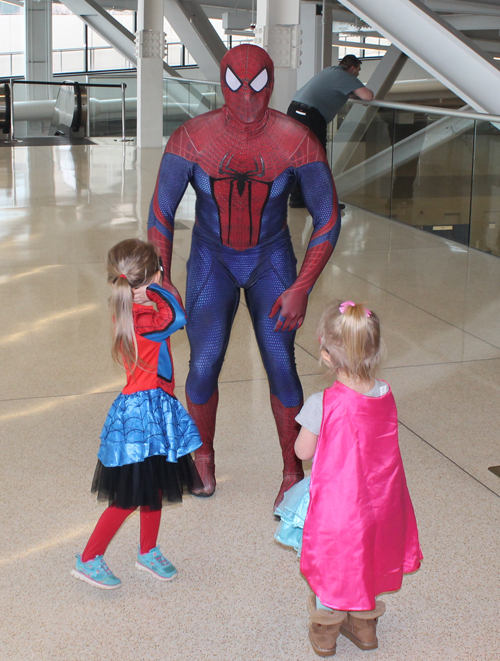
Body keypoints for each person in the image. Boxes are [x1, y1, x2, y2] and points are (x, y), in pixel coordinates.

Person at [148, 44, 341, 509]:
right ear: (221, 83)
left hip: (270, 261)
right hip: (212, 259)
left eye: (258, 86)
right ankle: (203, 455)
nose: (248, 98)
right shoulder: (192, 139)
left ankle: (293, 469)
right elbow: (160, 213)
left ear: (272, 84)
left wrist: (301, 286)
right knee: (203, 362)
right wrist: (162, 275)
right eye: (236, 84)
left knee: (281, 367)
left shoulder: (296, 139)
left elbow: (329, 217)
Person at [274, 300, 422, 656]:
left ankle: (326, 630)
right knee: (368, 554)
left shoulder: (321, 402)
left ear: (326, 355)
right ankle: (364, 627)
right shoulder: (385, 393)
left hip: (341, 501)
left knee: (335, 562)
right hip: (381, 498)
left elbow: (303, 453)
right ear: (373, 351)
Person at [71, 239, 203, 590]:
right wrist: (155, 290)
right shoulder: (145, 317)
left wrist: (147, 287)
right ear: (152, 277)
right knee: (128, 497)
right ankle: (88, 558)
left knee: (155, 485)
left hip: (153, 408)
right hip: (141, 417)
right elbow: (178, 316)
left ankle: (148, 550)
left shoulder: (131, 308)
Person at [287, 54, 374, 208]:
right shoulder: (345, 76)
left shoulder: (330, 70)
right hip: (310, 116)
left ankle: (297, 198)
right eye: (358, 70)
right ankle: (323, 202)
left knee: (301, 157)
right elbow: (368, 96)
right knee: (317, 157)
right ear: (352, 68)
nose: (358, 74)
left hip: (296, 110)